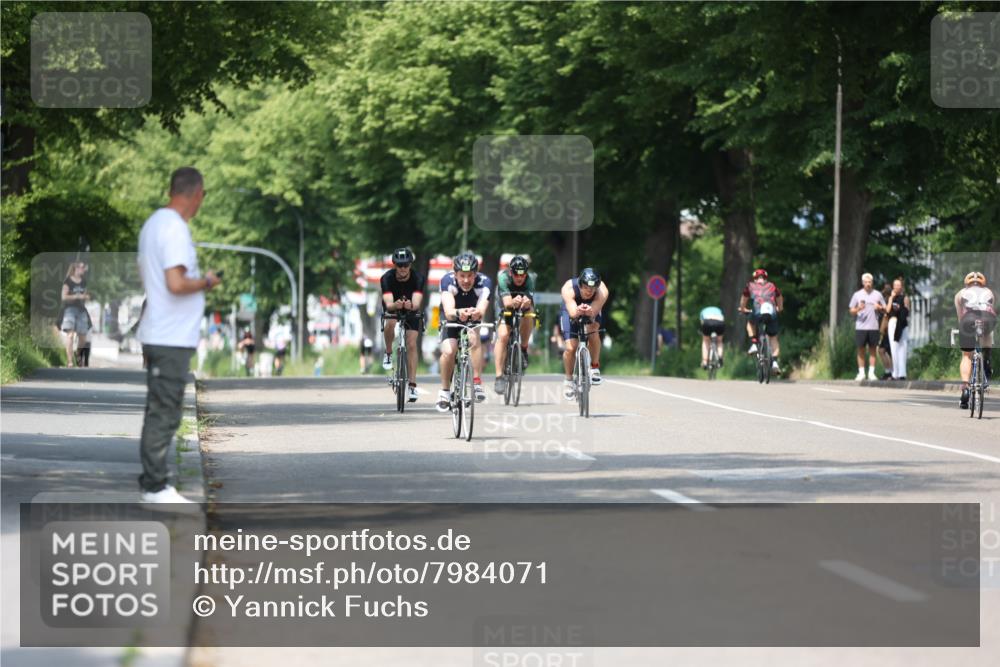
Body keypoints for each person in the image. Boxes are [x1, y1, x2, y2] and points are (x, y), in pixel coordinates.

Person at [137, 167, 220, 504]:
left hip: (164, 332)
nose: (202, 202)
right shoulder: (173, 228)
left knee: (161, 409)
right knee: (164, 411)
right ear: (196, 194)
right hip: (169, 336)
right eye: (203, 196)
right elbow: (175, 283)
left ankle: (154, 482)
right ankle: (155, 486)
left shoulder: (154, 223)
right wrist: (207, 282)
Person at [437, 252, 492, 411]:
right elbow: (448, 311)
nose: (466, 280)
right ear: (455, 274)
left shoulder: (484, 282)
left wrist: (477, 312)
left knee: (473, 339)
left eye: (470, 276)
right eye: (462, 276)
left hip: (472, 314)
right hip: (452, 315)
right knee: (450, 350)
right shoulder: (447, 281)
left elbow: (482, 308)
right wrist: (458, 312)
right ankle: (444, 391)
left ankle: (476, 383)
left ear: (476, 274)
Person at [380, 247, 426, 402]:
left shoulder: (418, 278)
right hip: (393, 305)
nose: (403, 268)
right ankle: (388, 353)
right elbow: (388, 304)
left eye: (406, 265)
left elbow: (417, 302)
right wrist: (396, 305)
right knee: (390, 322)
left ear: (410, 265)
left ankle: (412, 386)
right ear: (394, 265)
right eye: (399, 265)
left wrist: (410, 306)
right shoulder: (386, 278)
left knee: (411, 343)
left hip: (410, 307)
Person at [559, 268, 609, 400]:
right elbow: (572, 313)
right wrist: (577, 311)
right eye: (586, 287)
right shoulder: (568, 288)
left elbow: (595, 310)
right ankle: (569, 380)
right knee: (571, 347)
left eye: (592, 289)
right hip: (571, 308)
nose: (589, 291)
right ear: (580, 285)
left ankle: (594, 367)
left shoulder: (602, 291)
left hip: (592, 307)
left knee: (593, 330)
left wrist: (590, 311)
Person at [493, 255, 536, 395]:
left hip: (522, 303)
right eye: (517, 274)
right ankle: (499, 376)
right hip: (505, 303)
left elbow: (528, 300)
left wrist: (525, 302)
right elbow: (507, 303)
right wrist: (513, 302)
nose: (520, 278)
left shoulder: (529, 280)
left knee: (529, 313)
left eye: (523, 275)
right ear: (511, 272)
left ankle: (523, 349)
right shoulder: (503, 278)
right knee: (503, 336)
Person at [955, 271, 995, 409]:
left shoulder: (960, 293)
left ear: (967, 283)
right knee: (987, 334)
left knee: (966, 355)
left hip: (968, 319)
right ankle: (987, 360)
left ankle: (965, 388)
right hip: (987, 318)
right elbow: (991, 308)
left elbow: (960, 316)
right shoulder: (989, 292)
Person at [739, 268, 784, 375]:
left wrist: (743, 309)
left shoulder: (750, 285)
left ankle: (754, 343)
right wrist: (780, 308)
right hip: (771, 312)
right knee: (773, 338)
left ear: (755, 279)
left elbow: (744, 299)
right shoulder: (772, 286)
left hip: (758, 311)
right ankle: (775, 363)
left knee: (750, 323)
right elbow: (779, 297)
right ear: (766, 278)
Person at [847, 272, 886, 381]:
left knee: (873, 350)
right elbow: (851, 310)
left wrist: (879, 308)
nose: (868, 284)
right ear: (863, 283)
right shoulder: (857, 295)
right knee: (861, 350)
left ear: (872, 283)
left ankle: (871, 373)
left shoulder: (878, 294)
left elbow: (885, 309)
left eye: (870, 282)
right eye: (866, 282)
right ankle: (861, 373)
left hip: (874, 326)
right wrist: (858, 308)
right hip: (861, 327)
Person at [60, 261, 91, 367]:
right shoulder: (68, 281)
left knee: (83, 338)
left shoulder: (84, 281)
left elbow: (86, 295)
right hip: (70, 310)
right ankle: (69, 361)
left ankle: (77, 354)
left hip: (81, 310)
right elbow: (63, 297)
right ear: (75, 268)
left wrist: (86, 297)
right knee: (70, 335)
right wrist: (76, 296)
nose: (84, 269)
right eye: (82, 267)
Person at [886, 277, 911, 380]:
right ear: (893, 286)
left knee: (903, 348)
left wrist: (903, 307)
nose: (897, 287)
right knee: (894, 348)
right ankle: (895, 373)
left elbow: (907, 310)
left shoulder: (905, 297)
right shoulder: (891, 298)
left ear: (901, 287)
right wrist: (891, 298)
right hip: (892, 322)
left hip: (902, 323)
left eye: (899, 285)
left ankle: (902, 373)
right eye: (895, 285)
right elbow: (887, 310)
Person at [877, 283, 894, 380]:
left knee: (886, 351)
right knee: (883, 350)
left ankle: (892, 372)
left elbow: (887, 312)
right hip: (886, 330)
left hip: (889, 329)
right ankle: (889, 371)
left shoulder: (890, 299)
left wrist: (880, 308)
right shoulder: (885, 299)